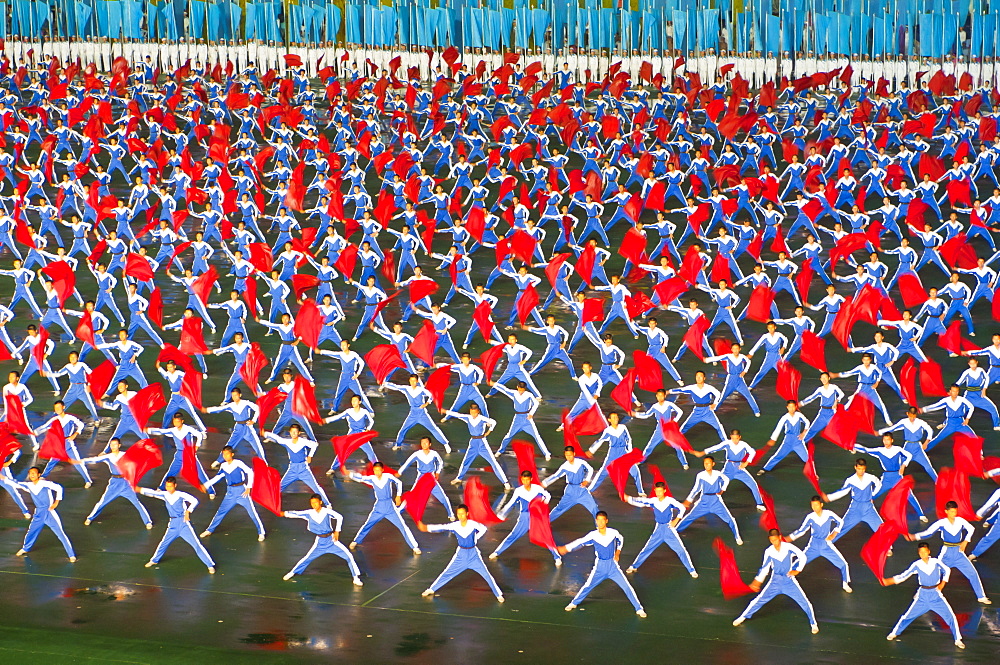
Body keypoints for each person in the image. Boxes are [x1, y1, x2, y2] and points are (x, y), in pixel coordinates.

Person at [558, 511, 646, 617]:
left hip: (613, 566)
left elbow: (621, 539)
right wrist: (566, 548)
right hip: (600, 566)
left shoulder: (613, 533)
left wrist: (618, 552)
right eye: (598, 520)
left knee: (627, 587)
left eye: (602, 520)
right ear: (596, 521)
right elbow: (580, 542)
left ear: (606, 521)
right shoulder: (593, 535)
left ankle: (639, 608)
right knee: (587, 586)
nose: (599, 522)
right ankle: (573, 603)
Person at [733, 529, 818, 634]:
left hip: (789, 581)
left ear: (779, 537)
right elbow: (765, 568)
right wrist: (757, 581)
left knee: (804, 602)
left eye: (776, 540)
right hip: (775, 581)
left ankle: (813, 623)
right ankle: (742, 617)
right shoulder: (769, 551)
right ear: (770, 539)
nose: (774, 542)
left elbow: (802, 556)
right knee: (758, 600)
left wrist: (798, 570)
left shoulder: (789, 547)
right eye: (772, 540)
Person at [907, 501, 992, 604]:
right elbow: (928, 533)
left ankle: (981, 597)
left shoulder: (960, 521)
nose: (953, 514)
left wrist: (965, 541)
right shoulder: (941, 523)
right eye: (951, 512)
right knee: (932, 573)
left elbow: (971, 528)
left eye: (955, 511)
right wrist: (914, 536)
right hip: (946, 553)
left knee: (972, 573)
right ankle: (920, 594)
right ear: (946, 511)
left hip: (959, 553)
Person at [883, 541, 965, 649]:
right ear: (918, 553)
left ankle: (958, 639)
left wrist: (942, 584)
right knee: (907, 616)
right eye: (920, 552)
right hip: (922, 596)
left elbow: (947, 570)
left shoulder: (936, 562)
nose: (923, 554)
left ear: (928, 552)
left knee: (950, 617)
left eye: (924, 552)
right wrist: (888, 581)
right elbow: (904, 575)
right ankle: (894, 632)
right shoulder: (916, 564)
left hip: (936, 595)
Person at [417, 504, 504, 602]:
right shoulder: (455, 525)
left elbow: (483, 529)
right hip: (461, 555)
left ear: (467, 514)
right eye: (458, 514)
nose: (460, 516)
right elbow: (442, 527)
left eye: (462, 514)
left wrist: (476, 538)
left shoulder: (473, 524)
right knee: (447, 573)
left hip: (473, 555)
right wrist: (426, 528)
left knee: (486, 575)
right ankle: (431, 589)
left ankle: (498, 594)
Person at [282, 493, 363, 586]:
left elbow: (339, 517)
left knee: (349, 556)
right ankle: (292, 572)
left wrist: (337, 531)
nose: (314, 505)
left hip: (331, 541)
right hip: (320, 542)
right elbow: (296, 513)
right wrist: (283, 513)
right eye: (312, 503)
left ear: (320, 502)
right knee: (307, 558)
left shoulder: (327, 512)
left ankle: (356, 578)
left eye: (316, 503)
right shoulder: (309, 513)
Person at [139, 477, 216, 573]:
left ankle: (210, 565)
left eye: (170, 486)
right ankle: (154, 560)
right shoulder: (164, 494)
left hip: (183, 524)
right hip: (172, 525)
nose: (168, 488)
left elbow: (195, 500)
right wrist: (139, 489)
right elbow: (153, 493)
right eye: (167, 486)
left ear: (175, 485)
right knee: (164, 543)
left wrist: (188, 511)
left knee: (196, 545)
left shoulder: (181, 495)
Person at [346, 461, 421, 554]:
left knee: (402, 526)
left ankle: (415, 547)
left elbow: (399, 483)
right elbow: (361, 478)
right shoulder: (372, 478)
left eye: (378, 470)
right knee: (368, 524)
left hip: (390, 507)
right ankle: (356, 541)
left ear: (382, 470)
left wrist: (398, 495)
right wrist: (349, 474)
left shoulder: (388, 476)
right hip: (379, 507)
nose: (377, 472)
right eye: (375, 471)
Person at [624, 482, 697, 577]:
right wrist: (628, 498)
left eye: (660, 491)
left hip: (669, 529)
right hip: (658, 529)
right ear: (654, 491)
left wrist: (676, 520)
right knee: (647, 548)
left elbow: (682, 508)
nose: (658, 493)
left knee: (681, 550)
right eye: (656, 491)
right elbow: (641, 502)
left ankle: (691, 570)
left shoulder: (670, 501)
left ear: (664, 491)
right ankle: (634, 566)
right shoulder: (653, 501)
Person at [77, 438, 153, 528]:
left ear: (119, 445)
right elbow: (95, 459)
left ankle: (148, 522)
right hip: (114, 484)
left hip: (126, 483)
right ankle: (90, 518)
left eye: (115, 444)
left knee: (136, 502)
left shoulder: (125, 455)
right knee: (102, 502)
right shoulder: (108, 456)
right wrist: (82, 461)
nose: (113, 446)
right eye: (111, 445)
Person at [490, 470, 561, 565]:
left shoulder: (537, 488)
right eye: (523, 480)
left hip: (537, 517)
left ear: (531, 479)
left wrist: (543, 504)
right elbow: (511, 503)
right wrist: (502, 514)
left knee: (545, 536)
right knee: (513, 535)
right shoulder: (518, 491)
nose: (525, 482)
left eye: (527, 480)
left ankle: (557, 557)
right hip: (524, 517)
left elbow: (547, 495)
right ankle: (496, 552)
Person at [785, 496, 852, 592]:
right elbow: (801, 530)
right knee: (797, 564)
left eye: (816, 505)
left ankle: (845, 584)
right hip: (813, 546)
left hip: (826, 545)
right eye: (812, 505)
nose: (814, 507)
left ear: (821, 505)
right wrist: (789, 538)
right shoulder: (810, 517)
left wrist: (834, 533)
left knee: (843, 564)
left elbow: (840, 522)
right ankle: (786, 581)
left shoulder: (829, 514)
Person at [200, 446, 266, 542]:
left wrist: (249, 487)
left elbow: (250, 472)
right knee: (220, 512)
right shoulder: (223, 466)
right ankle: (209, 530)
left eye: (227, 454)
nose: (225, 456)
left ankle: (261, 532)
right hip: (230, 492)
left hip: (241, 492)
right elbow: (217, 477)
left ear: (232, 454)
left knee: (252, 513)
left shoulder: (238, 463)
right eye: (223, 454)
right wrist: (206, 485)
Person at [13, 467, 76, 562]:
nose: (32, 475)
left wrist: (56, 502)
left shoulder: (44, 483)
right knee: (31, 531)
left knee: (60, 533)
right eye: (30, 473)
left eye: (34, 473)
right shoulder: (29, 485)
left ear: (39, 474)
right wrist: (3, 478)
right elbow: (15, 484)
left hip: (49, 512)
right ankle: (25, 548)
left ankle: (71, 555)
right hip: (38, 513)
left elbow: (59, 488)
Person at [677, 455, 742, 544]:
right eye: (705, 463)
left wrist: (723, 489)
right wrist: (689, 500)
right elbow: (696, 489)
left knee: (730, 519)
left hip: (716, 501)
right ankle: (676, 531)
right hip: (704, 501)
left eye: (708, 463)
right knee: (690, 517)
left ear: (713, 464)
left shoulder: (718, 474)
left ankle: (737, 537)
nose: (706, 465)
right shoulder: (701, 475)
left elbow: (726, 479)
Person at [544, 445, 598, 521]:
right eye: (566, 455)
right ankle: (545, 523)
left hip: (582, 490)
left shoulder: (581, 462)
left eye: (570, 455)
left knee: (594, 508)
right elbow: (556, 476)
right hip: (570, 491)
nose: (568, 457)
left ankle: (600, 528)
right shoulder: (564, 466)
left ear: (574, 454)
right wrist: (545, 483)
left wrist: (587, 480)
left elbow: (590, 469)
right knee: (559, 509)